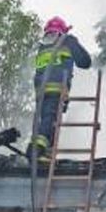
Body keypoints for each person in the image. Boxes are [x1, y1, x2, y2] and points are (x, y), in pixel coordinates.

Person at [29, 16, 92, 161]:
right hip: (57, 88)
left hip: (40, 91)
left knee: (46, 119)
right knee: (51, 118)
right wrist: (73, 43)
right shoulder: (67, 40)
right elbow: (85, 62)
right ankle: (38, 149)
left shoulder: (42, 46)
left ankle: (45, 153)